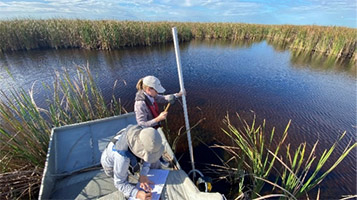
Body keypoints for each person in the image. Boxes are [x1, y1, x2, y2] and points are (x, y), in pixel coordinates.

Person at [101, 125, 164, 200]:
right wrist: (137, 193)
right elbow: (119, 183)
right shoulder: (122, 159)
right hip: (110, 165)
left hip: (124, 157)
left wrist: (143, 174)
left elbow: (148, 156)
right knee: (126, 187)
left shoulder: (143, 132)